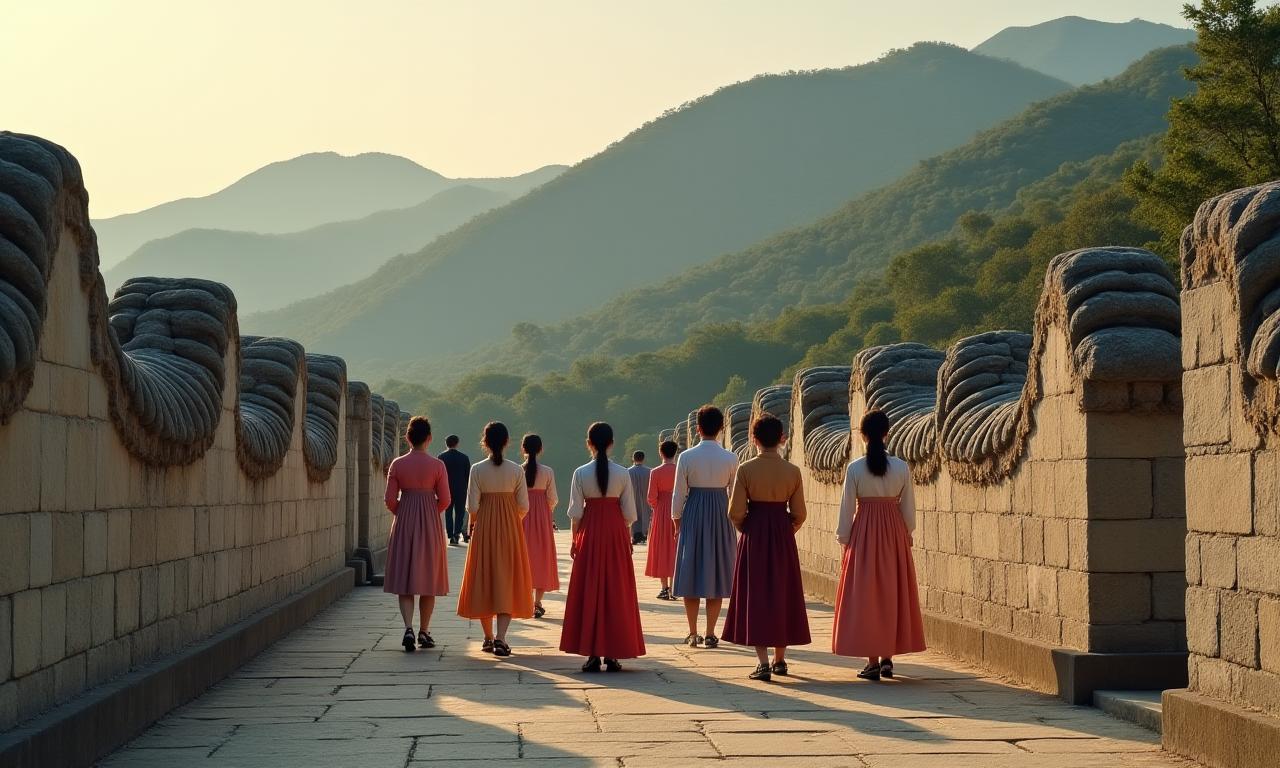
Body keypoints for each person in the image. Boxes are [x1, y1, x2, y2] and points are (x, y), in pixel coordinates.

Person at [833, 409, 926, 680]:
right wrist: (905, 533)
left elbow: (847, 508)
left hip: (864, 533)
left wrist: (844, 539)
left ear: (861, 435)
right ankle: (888, 658)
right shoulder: (901, 467)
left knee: (866, 596)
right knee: (892, 591)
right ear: (887, 433)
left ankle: (872, 661)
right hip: (893, 531)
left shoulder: (855, 469)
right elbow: (909, 509)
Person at [722, 413, 810, 680]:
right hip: (782, 534)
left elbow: (735, 511)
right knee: (783, 593)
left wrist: (746, 528)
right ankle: (780, 660)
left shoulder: (746, 470)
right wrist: (786, 529)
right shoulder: (792, 471)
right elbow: (800, 513)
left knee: (756, 595)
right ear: (782, 438)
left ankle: (762, 663)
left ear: (754, 438)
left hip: (755, 532)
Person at [560, 422, 646, 671]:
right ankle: (612, 652)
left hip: (589, 531)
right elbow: (629, 513)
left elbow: (575, 513)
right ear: (611, 443)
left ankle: (592, 653)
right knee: (615, 590)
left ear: (589, 443)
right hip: (615, 532)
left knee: (589, 590)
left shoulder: (580, 473)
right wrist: (627, 537)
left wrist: (575, 539)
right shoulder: (622, 473)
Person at [457, 422, 534, 657]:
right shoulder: (516, 470)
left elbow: (472, 505)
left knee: (484, 578)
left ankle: (488, 637)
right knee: (506, 579)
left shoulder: (477, 469)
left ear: (485, 442)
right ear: (507, 442)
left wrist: (475, 523)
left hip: (484, 528)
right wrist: (509, 517)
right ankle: (502, 637)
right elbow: (524, 506)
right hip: (510, 528)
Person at [671, 405, 739, 648]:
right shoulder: (731, 458)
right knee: (716, 572)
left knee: (690, 569)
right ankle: (711, 632)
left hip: (694, 511)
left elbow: (679, 493)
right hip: (721, 513)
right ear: (722, 428)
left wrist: (676, 520)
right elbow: (734, 493)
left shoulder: (686, 457)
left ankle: (692, 632)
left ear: (697, 428)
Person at [383, 416, 453, 652]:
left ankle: (408, 628)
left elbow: (389, 500)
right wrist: (429, 512)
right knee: (428, 578)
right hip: (429, 522)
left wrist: (403, 512)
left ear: (407, 438)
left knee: (405, 577)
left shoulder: (397, 464)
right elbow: (445, 500)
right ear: (429, 438)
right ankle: (424, 630)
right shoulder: (437, 466)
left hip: (404, 520)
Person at [521, 433, 560, 618]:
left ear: (523, 449)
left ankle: (526, 601)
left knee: (523, 557)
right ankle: (537, 602)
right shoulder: (548, 472)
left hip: (522, 517)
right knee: (542, 557)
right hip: (542, 517)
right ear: (541, 449)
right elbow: (553, 499)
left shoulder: (517, 470)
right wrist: (546, 512)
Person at [645, 440, 679, 599]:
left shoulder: (655, 472)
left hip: (661, 510)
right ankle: (674, 586)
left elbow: (651, 497)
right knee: (676, 546)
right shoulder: (680, 470)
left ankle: (664, 587)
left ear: (661, 453)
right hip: (679, 509)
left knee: (661, 547)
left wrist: (656, 506)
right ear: (676, 452)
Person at [438, 435, 471, 545]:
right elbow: (468, 476)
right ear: (457, 443)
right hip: (461, 489)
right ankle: (457, 533)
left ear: (446, 443)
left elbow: (439, 476)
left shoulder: (441, 457)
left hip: (446, 489)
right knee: (460, 512)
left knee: (448, 512)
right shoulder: (464, 457)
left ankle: (450, 535)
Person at [629, 451, 652, 545]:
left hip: (632, 497)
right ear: (643, 459)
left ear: (633, 459)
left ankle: (635, 535)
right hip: (646, 497)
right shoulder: (650, 471)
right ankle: (646, 533)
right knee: (646, 513)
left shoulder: (628, 472)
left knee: (634, 514)